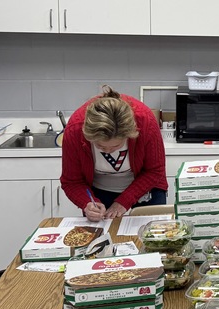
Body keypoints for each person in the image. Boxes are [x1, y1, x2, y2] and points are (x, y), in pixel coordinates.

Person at [61, 85, 168, 221]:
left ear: (130, 134)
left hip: (146, 187)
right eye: (100, 146)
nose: (108, 151)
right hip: (99, 191)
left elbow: (155, 170)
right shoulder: (75, 130)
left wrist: (124, 201)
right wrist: (87, 203)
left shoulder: (145, 122)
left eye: (116, 146)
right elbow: (71, 181)